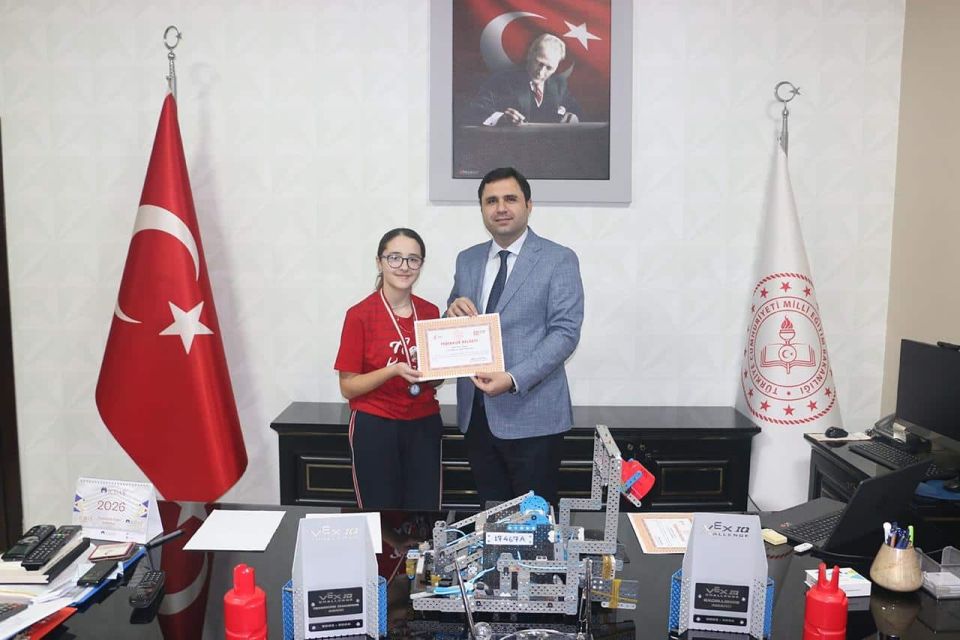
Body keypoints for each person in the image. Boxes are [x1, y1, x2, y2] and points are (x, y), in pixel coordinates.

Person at [446, 167, 584, 507]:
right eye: (491, 201)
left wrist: (512, 378)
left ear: (528, 205)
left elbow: (565, 332)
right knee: (490, 516)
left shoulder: (558, 259)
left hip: (534, 416)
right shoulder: (467, 259)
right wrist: (451, 312)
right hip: (477, 417)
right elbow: (454, 322)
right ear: (482, 209)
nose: (500, 208)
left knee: (533, 522)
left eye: (510, 199)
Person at [335, 228, 443, 510]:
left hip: (424, 423)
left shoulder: (430, 312)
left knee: (424, 511)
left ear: (421, 265)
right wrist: (392, 371)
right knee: (380, 513)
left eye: (413, 259)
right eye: (394, 257)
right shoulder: (359, 315)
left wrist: (452, 363)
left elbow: (435, 379)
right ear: (379, 262)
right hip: (376, 424)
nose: (404, 266)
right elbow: (348, 386)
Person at [466, 34, 581, 126]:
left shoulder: (559, 84)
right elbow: (475, 111)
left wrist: (573, 117)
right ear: (530, 54)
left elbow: (578, 113)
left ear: (556, 66)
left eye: (549, 68)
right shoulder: (502, 80)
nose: (541, 72)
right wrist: (501, 118)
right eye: (539, 63)